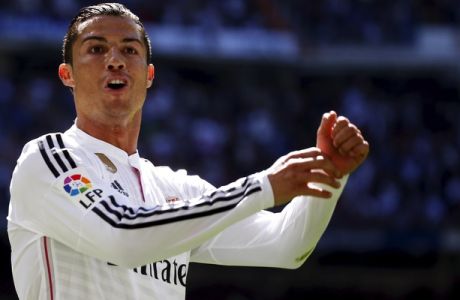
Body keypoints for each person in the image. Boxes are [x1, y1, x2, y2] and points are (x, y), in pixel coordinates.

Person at [7, 3, 369, 300]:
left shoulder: (177, 191)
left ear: (148, 75)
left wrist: (329, 175)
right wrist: (264, 186)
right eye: (96, 49)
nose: (115, 60)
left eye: (129, 50)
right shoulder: (47, 160)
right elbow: (124, 237)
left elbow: (285, 247)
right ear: (67, 74)